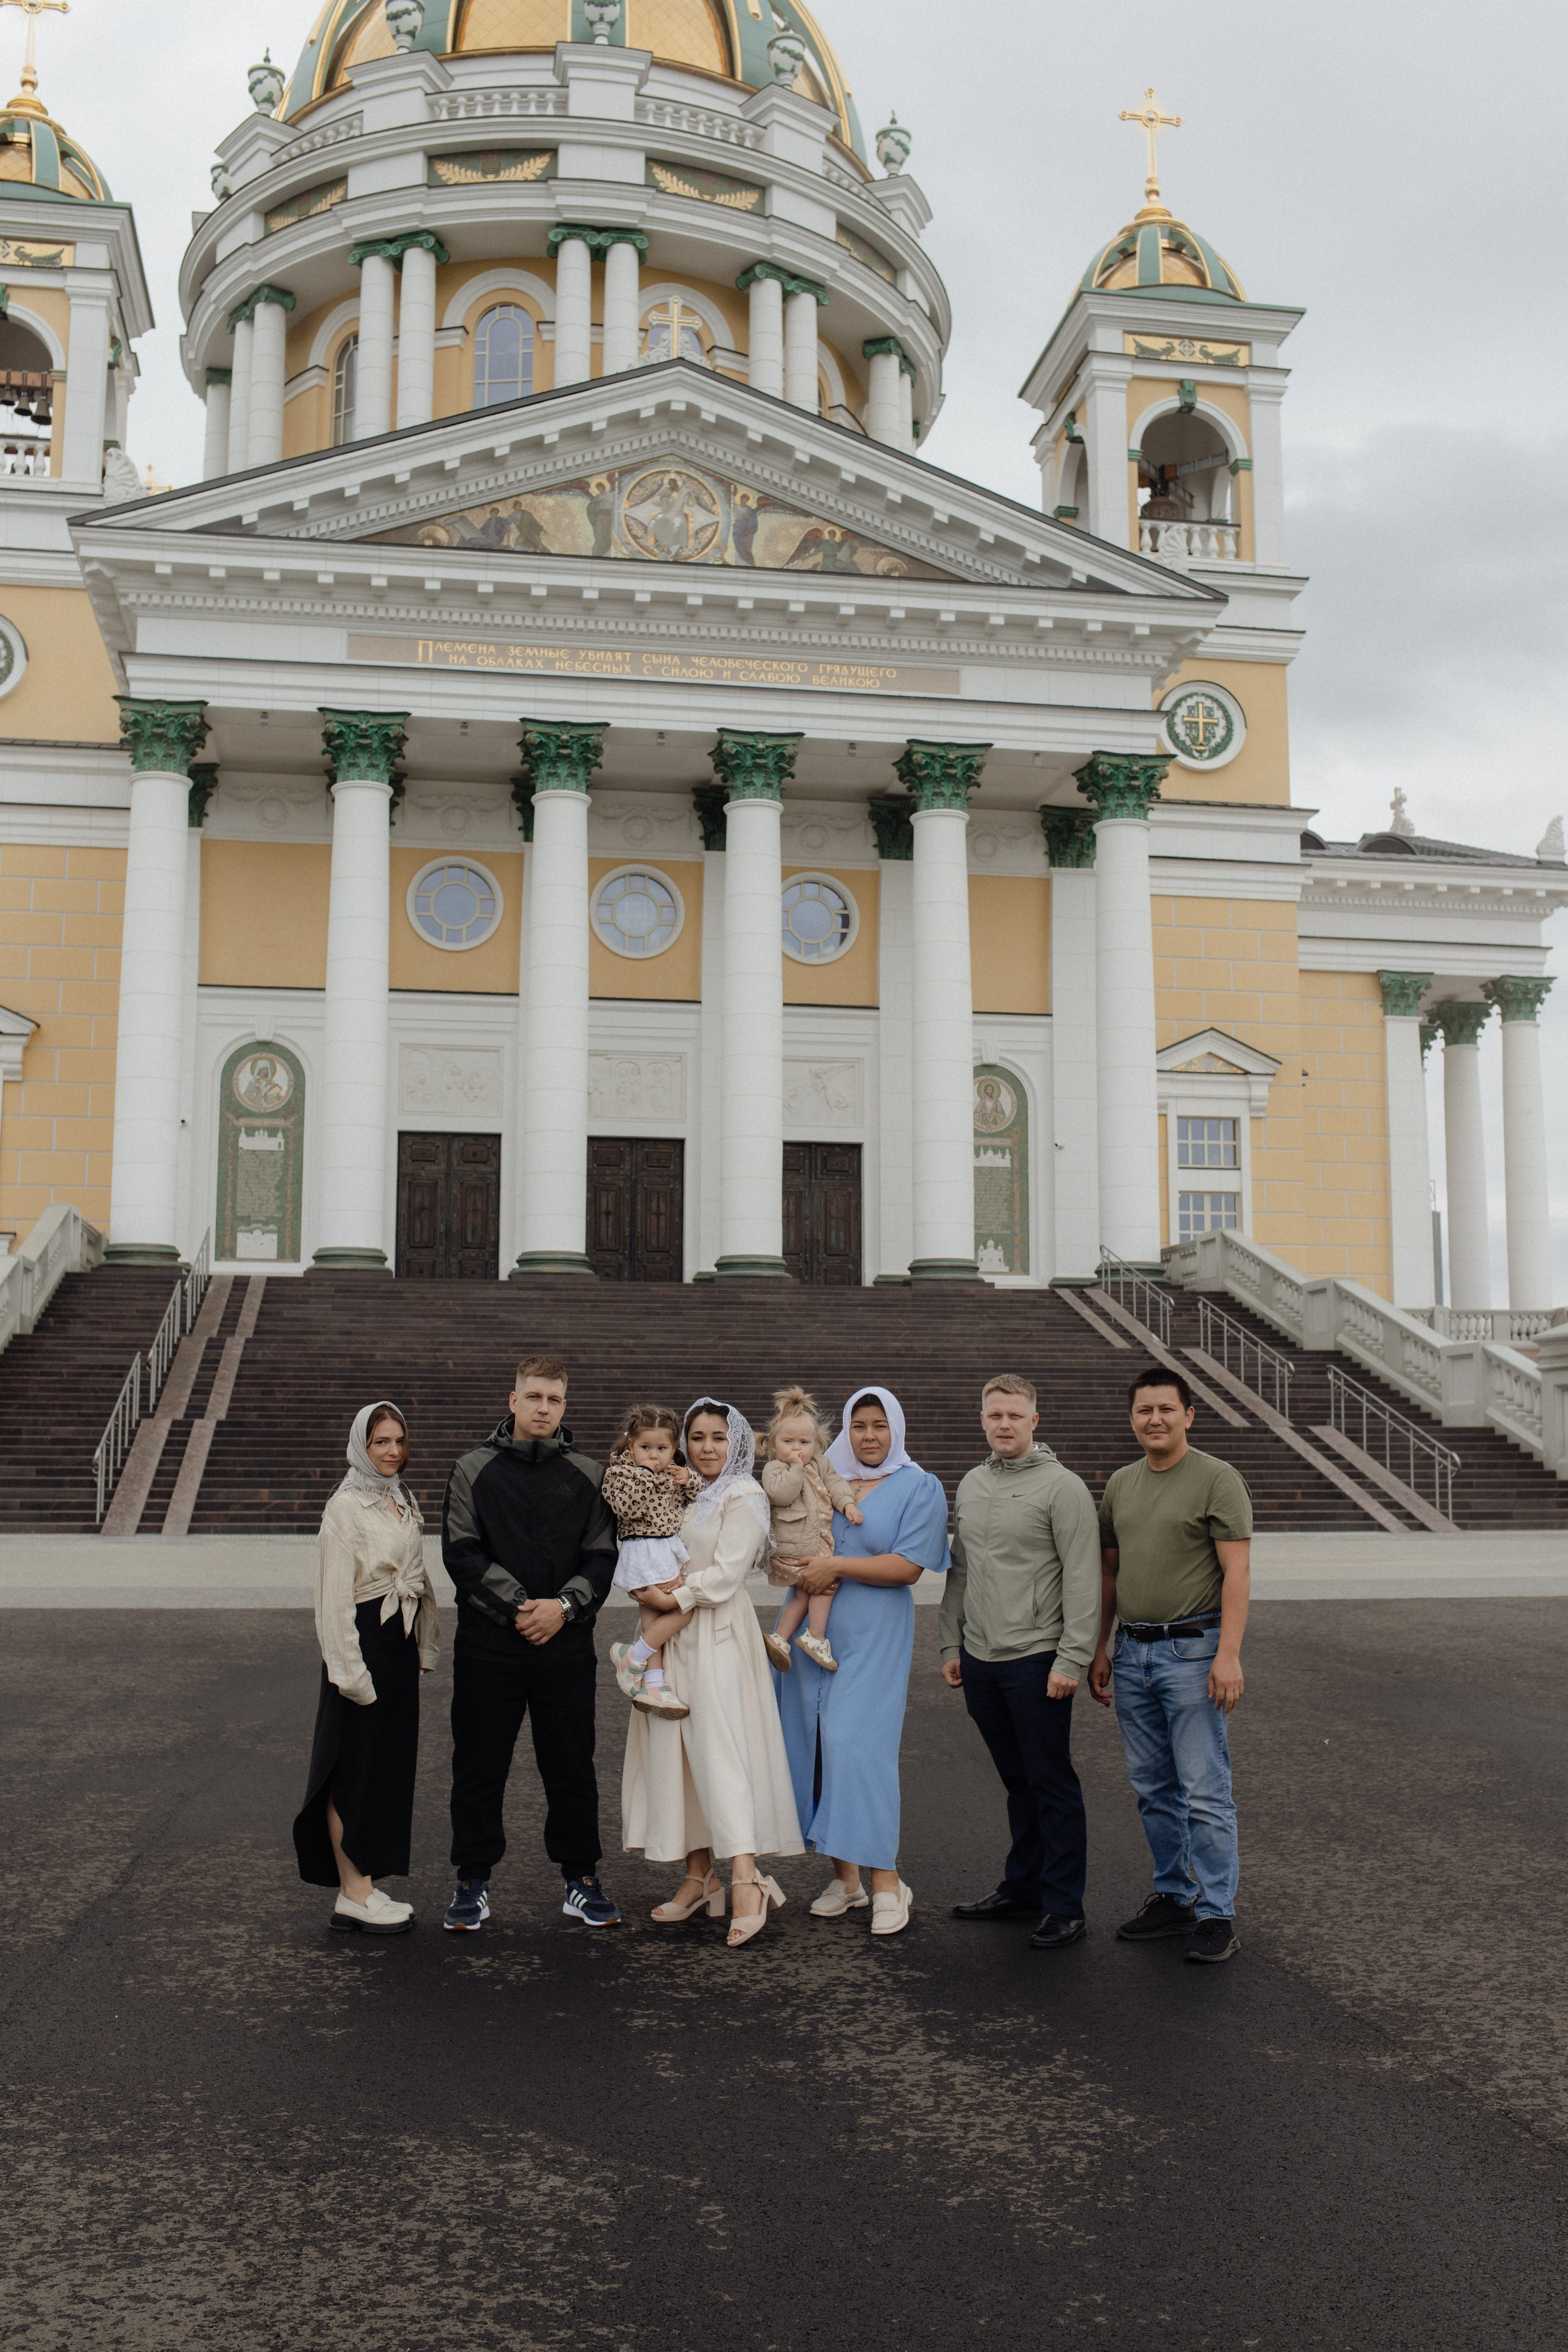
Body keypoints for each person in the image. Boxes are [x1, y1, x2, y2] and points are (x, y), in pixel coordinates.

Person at [441, 1354, 621, 1933]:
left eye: (555, 1399)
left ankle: (581, 1879)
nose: (544, 1408)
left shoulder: (590, 1474)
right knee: (478, 1765)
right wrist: (524, 1606)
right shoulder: (472, 1469)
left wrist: (561, 1608)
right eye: (534, 1397)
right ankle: (472, 1881)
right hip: (488, 1647)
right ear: (513, 1400)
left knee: (572, 1767)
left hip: (564, 1647)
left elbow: (602, 1557)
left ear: (565, 1406)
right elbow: (461, 1553)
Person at [621, 1399, 803, 1948]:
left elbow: (725, 1576)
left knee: (721, 1752)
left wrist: (670, 1595)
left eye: (718, 1437)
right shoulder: (681, 1489)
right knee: (677, 1753)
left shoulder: (743, 1494)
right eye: (697, 1437)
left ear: (736, 1442)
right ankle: (700, 1877)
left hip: (717, 1634)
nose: (706, 1447)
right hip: (672, 1635)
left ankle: (748, 1879)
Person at [1087, 1368, 1253, 1966]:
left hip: (1192, 1652)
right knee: (1153, 1788)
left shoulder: (1217, 1479)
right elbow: (1110, 1571)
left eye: (1165, 1409)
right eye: (1143, 1410)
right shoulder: (1121, 1484)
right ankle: (1174, 1895)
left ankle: (1216, 1912)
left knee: (1204, 1790)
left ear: (1189, 1415)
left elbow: (1237, 1570)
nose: (1154, 1419)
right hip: (1132, 1653)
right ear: (1132, 1418)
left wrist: (1228, 1655)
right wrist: (1100, 1647)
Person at [774, 1387, 949, 1939]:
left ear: (895, 1428)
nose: (869, 1436)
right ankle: (846, 1879)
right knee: (816, 1744)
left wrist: (837, 1566)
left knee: (857, 1745)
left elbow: (910, 1566)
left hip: (874, 1631)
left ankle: (888, 1883)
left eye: (879, 1425)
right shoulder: (821, 1472)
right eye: (859, 1425)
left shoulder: (919, 1485)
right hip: (810, 1626)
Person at [940, 1374, 1101, 1951]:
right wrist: (950, 1643)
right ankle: (1024, 1888)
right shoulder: (973, 1483)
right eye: (995, 1415)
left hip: (1037, 1659)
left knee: (1051, 1782)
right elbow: (961, 1570)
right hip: (980, 1659)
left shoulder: (1063, 1488)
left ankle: (1064, 1905)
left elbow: (1083, 1578)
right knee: (1017, 1781)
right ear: (982, 1419)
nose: (1004, 1424)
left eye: (1014, 1415)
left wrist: (1072, 1659)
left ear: (1035, 1420)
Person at [293, 1401, 438, 1936]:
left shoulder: (400, 1498)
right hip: (361, 1646)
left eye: (399, 1441)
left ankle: (364, 1885)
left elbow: (418, 1578)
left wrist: (422, 1646)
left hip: (397, 1644)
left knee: (383, 1770)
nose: (392, 1451)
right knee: (350, 1771)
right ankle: (352, 1894)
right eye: (381, 1442)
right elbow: (332, 1601)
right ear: (362, 1445)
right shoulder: (345, 1507)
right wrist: (350, 1673)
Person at [759, 1385, 864, 1674]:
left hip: (816, 1542)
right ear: (774, 1446)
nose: (797, 1448)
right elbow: (781, 1495)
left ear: (816, 1445)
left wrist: (848, 1504)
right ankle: (815, 1637)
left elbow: (836, 1485)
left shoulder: (822, 1464)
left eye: (804, 1442)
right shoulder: (775, 1469)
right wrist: (795, 1468)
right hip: (793, 1549)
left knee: (804, 1595)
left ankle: (780, 1638)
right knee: (826, 1586)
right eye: (788, 1441)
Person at [603, 1403, 697, 1721]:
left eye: (662, 1449)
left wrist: (688, 1478)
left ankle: (654, 1683)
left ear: (674, 1448)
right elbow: (626, 1508)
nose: (654, 1456)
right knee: (683, 1609)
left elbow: (696, 1494)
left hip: (665, 1550)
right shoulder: (620, 1473)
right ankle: (634, 1655)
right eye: (646, 1448)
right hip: (642, 1549)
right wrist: (645, 1475)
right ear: (631, 1445)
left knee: (653, 1617)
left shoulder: (672, 1473)